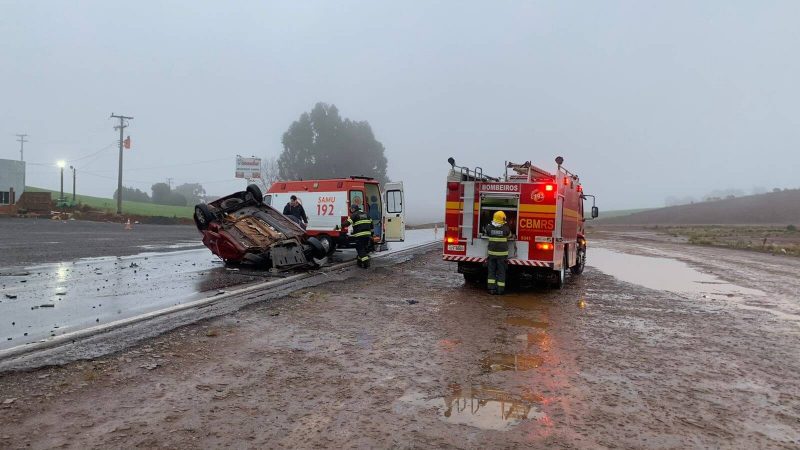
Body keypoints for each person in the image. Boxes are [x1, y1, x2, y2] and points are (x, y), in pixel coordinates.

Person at [485, 210, 511, 295]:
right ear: (503, 218)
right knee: (501, 272)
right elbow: (509, 235)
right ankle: (500, 290)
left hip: (491, 254)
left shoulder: (489, 227)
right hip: (502, 255)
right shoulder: (505, 228)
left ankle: (491, 289)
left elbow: (486, 232)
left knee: (491, 271)